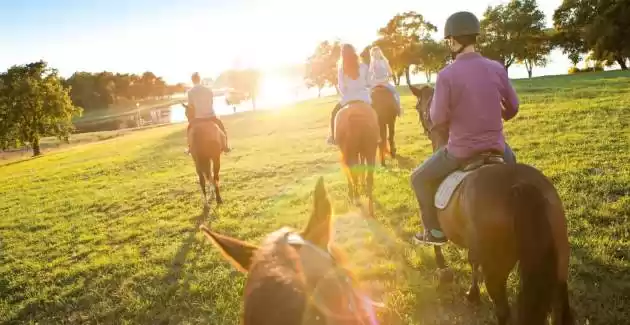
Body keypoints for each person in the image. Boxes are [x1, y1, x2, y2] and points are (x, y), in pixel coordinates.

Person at [410, 11, 519, 245]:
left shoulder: (446, 75)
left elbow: (438, 118)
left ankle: (434, 232)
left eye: (449, 40)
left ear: (453, 40)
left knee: (418, 178)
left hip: (460, 151)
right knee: (516, 173)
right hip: (498, 148)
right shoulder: (497, 68)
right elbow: (513, 107)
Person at [327, 44, 372, 145]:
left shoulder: (341, 69)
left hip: (348, 98)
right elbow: (369, 82)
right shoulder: (363, 66)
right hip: (364, 97)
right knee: (376, 112)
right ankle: (378, 135)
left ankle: (333, 137)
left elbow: (341, 87)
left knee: (334, 113)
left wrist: (346, 96)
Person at [184, 72, 230, 154]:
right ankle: (225, 146)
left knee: (189, 129)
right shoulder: (208, 89)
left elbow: (191, 106)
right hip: (211, 116)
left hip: (198, 118)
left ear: (192, 80)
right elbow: (211, 102)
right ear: (199, 79)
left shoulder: (190, 92)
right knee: (222, 129)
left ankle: (190, 147)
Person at [368, 46, 402, 116]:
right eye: (374, 53)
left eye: (377, 53)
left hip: (385, 81)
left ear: (380, 53)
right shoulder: (372, 62)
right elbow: (370, 73)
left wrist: (386, 79)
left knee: (396, 93)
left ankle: (398, 109)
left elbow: (390, 73)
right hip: (376, 82)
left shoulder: (384, 61)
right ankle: (368, 112)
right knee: (368, 94)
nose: (376, 55)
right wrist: (373, 80)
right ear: (372, 54)